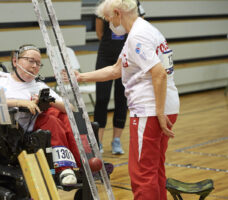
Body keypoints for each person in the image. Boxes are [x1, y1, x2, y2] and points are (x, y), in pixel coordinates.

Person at [72, 0, 180, 199]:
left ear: (117, 13)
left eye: (108, 18)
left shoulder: (138, 36)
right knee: (155, 168)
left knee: (142, 173)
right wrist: (81, 77)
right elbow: (116, 69)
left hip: (151, 110)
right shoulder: (142, 32)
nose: (109, 23)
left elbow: (159, 74)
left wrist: (158, 112)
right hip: (165, 106)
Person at [0, 44, 81, 186]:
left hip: (36, 122)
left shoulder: (38, 85)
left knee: (65, 116)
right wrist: (22, 102)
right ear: (15, 61)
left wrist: (48, 101)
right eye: (31, 61)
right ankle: (64, 169)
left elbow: (71, 108)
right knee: (51, 121)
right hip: (13, 128)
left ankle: (82, 162)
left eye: (38, 63)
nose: (35, 66)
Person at [94, 0, 145, 155]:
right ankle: (98, 141)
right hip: (105, 56)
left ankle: (116, 140)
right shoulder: (104, 5)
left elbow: (139, 26)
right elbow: (100, 33)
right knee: (102, 99)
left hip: (127, 57)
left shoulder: (135, 4)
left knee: (122, 99)